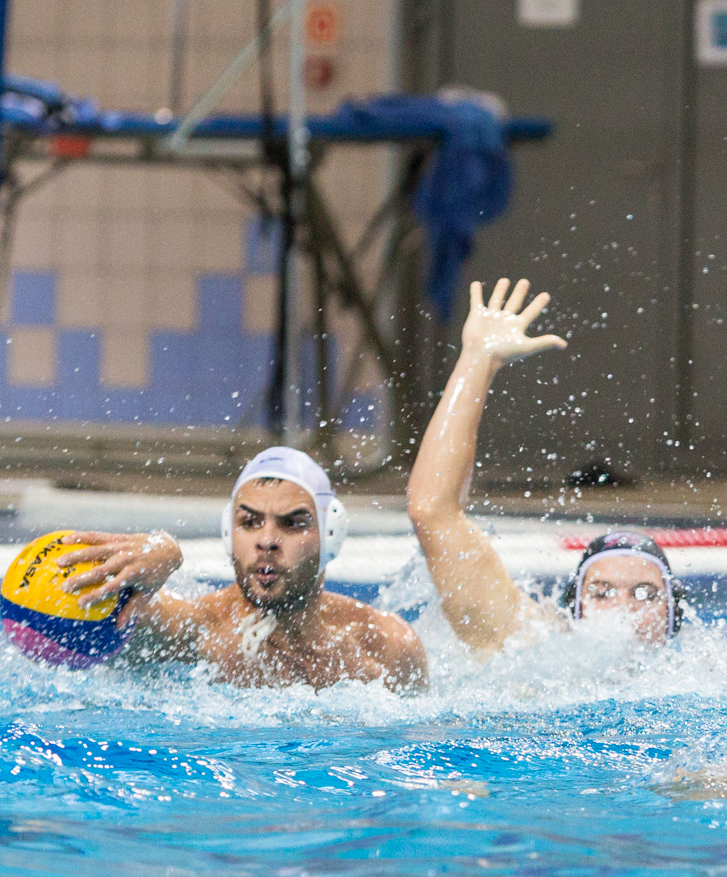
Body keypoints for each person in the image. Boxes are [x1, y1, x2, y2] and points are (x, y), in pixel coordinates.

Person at [405, 278, 683, 654]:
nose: (623, 609)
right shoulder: (533, 647)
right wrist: (479, 359)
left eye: (645, 594)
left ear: (673, 616)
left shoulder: (711, 678)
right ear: (575, 610)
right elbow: (432, 510)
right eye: (601, 593)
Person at [54, 447, 427, 690]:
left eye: (292, 523)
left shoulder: (388, 646)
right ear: (227, 533)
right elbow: (71, 599)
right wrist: (159, 554)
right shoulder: (199, 631)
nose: (266, 541)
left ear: (332, 534)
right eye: (249, 523)